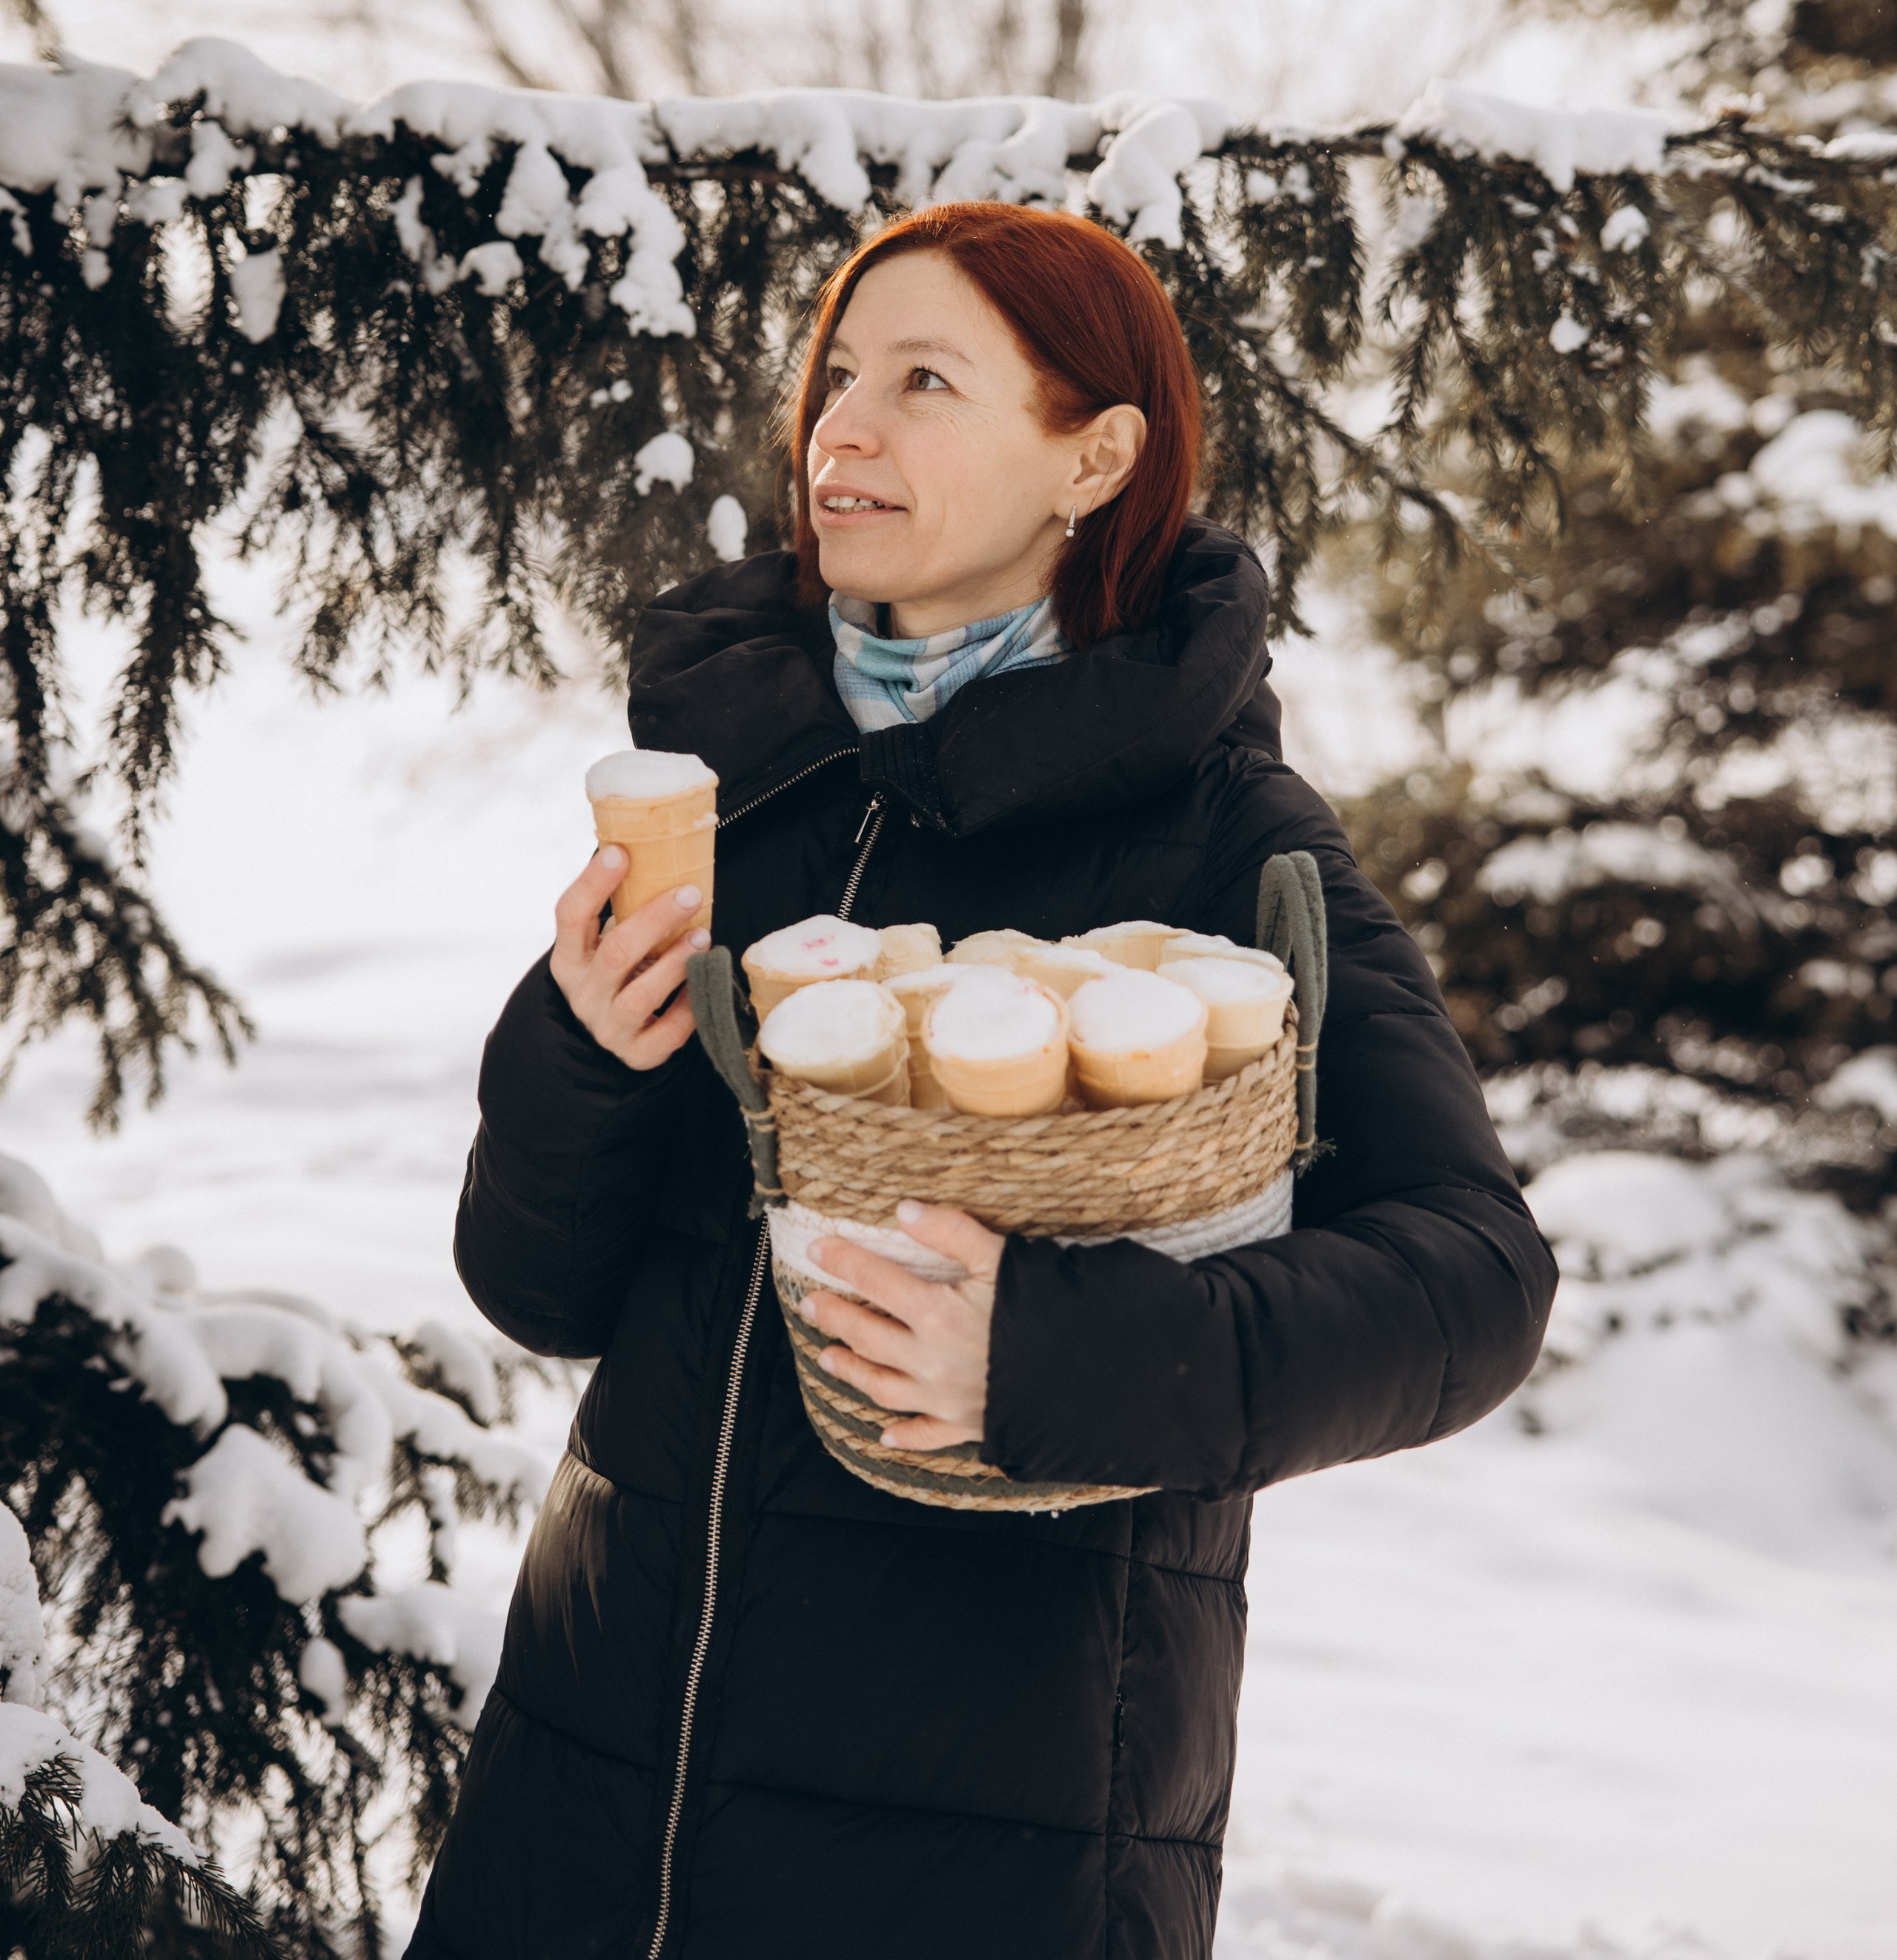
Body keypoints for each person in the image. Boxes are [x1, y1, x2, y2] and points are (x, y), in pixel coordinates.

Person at [407, 202, 1556, 1960]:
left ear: (1092, 457)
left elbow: (1470, 1277)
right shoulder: (734, 793)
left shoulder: (1223, 843)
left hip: (984, 1848)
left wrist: (1050, 1358)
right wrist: (585, 1051)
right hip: (585, 1794)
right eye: (835, 376)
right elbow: (540, 1288)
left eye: (923, 381)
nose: (839, 430)